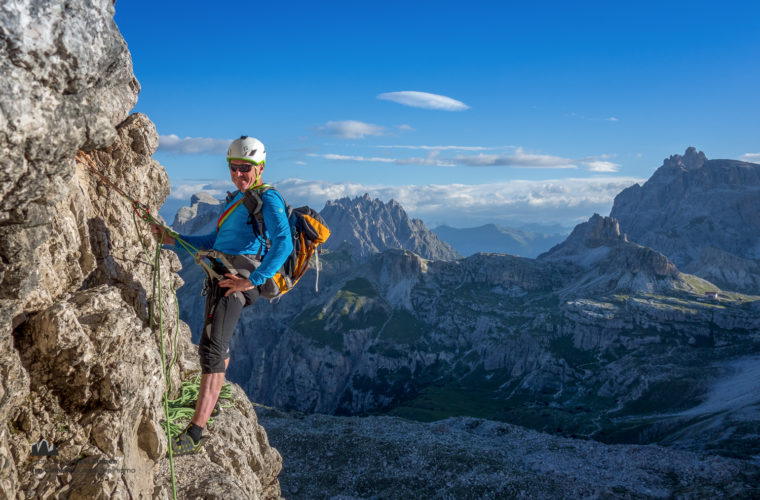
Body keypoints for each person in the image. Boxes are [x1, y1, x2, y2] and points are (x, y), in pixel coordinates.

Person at [151, 136, 293, 455]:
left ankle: (195, 432)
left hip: (235, 277)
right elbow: (214, 239)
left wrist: (251, 281)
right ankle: (210, 404)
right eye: (234, 167)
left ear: (260, 168)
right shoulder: (237, 199)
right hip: (222, 273)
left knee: (211, 350)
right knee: (218, 343)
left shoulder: (268, 198)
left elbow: (284, 243)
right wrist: (171, 237)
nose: (239, 174)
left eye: (246, 168)